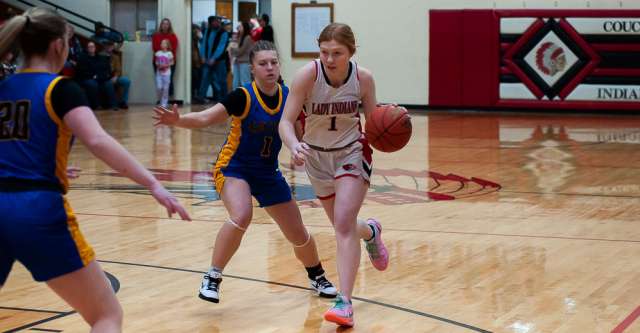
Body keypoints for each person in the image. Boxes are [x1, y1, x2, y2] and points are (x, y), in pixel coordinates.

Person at [0, 8, 191, 332]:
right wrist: (153, 184)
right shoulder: (60, 89)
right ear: (59, 46)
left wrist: (52, 164)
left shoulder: (4, 87)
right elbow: (99, 141)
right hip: (37, 210)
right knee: (106, 315)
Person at [153, 41, 338, 304]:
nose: (270, 68)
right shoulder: (242, 96)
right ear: (252, 69)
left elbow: (298, 133)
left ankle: (317, 275)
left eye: (274, 62)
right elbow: (207, 117)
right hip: (234, 168)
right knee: (242, 214)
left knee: (297, 231)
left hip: (267, 172)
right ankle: (213, 276)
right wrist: (178, 120)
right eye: (263, 64)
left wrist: (299, 150)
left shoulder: (289, 96)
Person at [279, 23, 391, 327]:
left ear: (351, 52)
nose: (330, 59)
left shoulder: (363, 79)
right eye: (325, 52)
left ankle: (345, 302)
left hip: (351, 153)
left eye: (337, 53)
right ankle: (371, 232)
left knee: (342, 223)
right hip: (315, 157)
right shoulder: (307, 76)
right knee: (345, 225)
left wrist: (389, 127)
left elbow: (374, 125)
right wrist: (293, 144)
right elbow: (286, 122)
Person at [197, 16, 229, 104]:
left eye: (218, 21)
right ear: (211, 22)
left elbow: (221, 47)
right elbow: (203, 44)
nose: (217, 23)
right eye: (215, 21)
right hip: (207, 60)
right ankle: (201, 97)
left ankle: (224, 100)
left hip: (220, 61)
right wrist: (202, 56)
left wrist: (214, 58)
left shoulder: (224, 33)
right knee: (205, 79)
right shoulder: (207, 31)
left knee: (221, 80)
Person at [75, 41, 115, 110]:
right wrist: (93, 76)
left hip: (100, 77)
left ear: (95, 48)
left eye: (93, 46)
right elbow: (81, 71)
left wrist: (101, 76)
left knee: (108, 83)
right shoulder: (82, 58)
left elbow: (105, 69)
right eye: (89, 47)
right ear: (87, 48)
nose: (91, 48)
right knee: (93, 84)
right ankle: (97, 105)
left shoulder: (100, 57)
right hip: (87, 78)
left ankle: (113, 105)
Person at [152, 18, 178, 98]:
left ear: (169, 25)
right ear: (161, 25)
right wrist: (160, 61)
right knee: (159, 82)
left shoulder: (173, 36)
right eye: (163, 24)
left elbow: (173, 48)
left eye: (167, 24)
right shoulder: (156, 35)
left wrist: (167, 62)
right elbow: (155, 48)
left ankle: (168, 99)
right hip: (158, 62)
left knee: (168, 81)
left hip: (169, 62)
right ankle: (160, 99)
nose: (165, 25)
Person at [103, 40, 130, 109]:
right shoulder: (100, 55)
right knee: (109, 83)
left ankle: (123, 102)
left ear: (112, 47)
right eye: (107, 46)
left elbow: (118, 69)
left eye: (111, 46)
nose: (109, 47)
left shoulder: (115, 57)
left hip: (114, 77)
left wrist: (115, 77)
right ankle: (113, 104)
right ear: (105, 46)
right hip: (104, 77)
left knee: (126, 81)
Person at [228, 21, 253, 88]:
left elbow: (240, 51)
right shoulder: (239, 37)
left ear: (245, 28)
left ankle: (248, 97)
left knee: (245, 82)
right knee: (236, 82)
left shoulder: (248, 38)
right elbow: (234, 48)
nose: (238, 28)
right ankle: (236, 97)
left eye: (240, 26)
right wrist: (232, 49)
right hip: (237, 62)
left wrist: (232, 49)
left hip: (244, 63)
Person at [154, 39, 174, 107]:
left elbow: (172, 62)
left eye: (164, 43)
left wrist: (166, 65)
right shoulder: (158, 53)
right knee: (159, 87)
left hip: (167, 74)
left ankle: (164, 103)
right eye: (161, 43)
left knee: (166, 88)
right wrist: (159, 66)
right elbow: (156, 62)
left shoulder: (169, 54)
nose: (162, 44)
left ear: (167, 45)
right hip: (159, 73)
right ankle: (160, 101)